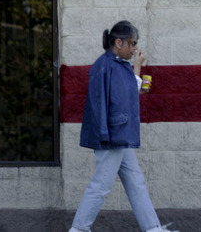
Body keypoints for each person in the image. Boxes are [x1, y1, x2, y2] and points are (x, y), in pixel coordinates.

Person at [69, 21, 177, 232]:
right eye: (132, 43)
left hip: (119, 135)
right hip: (111, 136)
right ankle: (78, 229)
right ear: (118, 42)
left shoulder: (117, 65)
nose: (135, 48)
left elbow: (128, 92)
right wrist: (103, 135)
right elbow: (98, 103)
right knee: (101, 186)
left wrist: (137, 67)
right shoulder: (104, 66)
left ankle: (153, 228)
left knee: (135, 182)